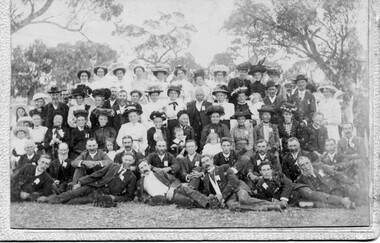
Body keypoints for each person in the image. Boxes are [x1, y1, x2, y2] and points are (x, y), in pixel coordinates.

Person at [47, 152, 137, 205]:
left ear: (133, 161)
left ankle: (60, 201)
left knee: (75, 201)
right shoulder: (113, 165)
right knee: (74, 192)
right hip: (94, 186)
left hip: (101, 195)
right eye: (126, 160)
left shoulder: (132, 177)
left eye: (129, 160)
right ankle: (50, 201)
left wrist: (113, 197)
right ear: (122, 159)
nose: (127, 162)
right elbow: (97, 174)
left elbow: (129, 196)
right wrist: (80, 182)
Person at [200, 154, 283, 212]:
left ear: (212, 160)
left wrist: (223, 197)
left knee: (243, 199)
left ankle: (273, 204)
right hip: (229, 196)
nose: (206, 163)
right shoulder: (206, 178)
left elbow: (233, 182)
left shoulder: (223, 168)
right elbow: (210, 192)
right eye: (203, 162)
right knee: (233, 207)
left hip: (238, 187)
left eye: (207, 160)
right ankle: (265, 208)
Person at [136, 160, 218, 209]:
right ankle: (210, 204)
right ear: (140, 171)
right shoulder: (140, 182)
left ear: (149, 166)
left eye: (145, 166)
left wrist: (172, 188)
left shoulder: (159, 173)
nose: (144, 168)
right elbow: (142, 197)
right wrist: (156, 199)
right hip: (167, 196)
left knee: (192, 192)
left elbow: (174, 179)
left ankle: (211, 202)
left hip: (174, 189)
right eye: (141, 168)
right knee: (187, 200)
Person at [295, 156, 364, 208]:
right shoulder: (301, 179)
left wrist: (352, 182)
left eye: (307, 163)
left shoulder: (319, 166)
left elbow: (336, 174)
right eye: (302, 165)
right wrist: (339, 200)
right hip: (329, 198)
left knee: (363, 196)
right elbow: (315, 195)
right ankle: (348, 203)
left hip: (340, 188)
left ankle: (354, 201)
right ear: (299, 168)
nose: (306, 166)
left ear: (310, 162)